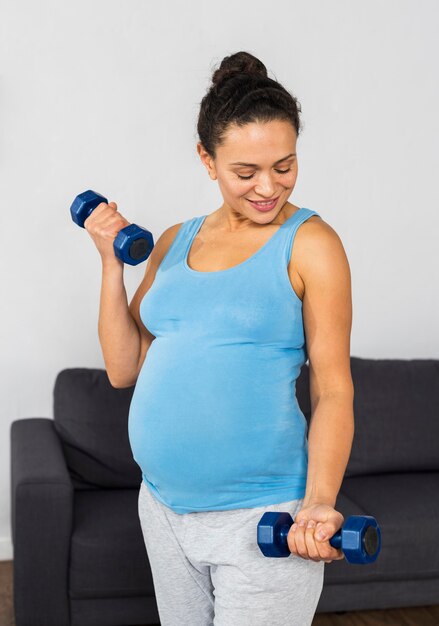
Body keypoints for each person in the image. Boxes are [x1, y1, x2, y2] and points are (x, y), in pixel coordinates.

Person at [84, 50, 354, 626]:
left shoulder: (311, 244)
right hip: (162, 506)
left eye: (284, 166)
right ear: (207, 160)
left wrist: (319, 503)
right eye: (245, 172)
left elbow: (333, 391)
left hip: (264, 514)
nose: (268, 187)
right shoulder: (175, 242)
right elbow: (123, 367)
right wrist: (111, 266)